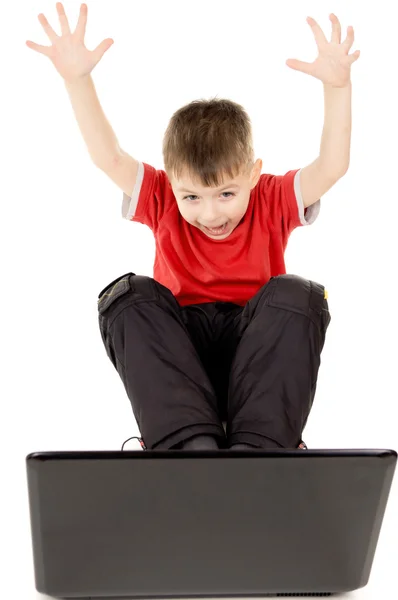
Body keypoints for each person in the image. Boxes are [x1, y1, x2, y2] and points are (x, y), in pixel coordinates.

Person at [27, 3, 360, 451]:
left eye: (226, 194)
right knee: (128, 296)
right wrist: (76, 79)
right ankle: (187, 446)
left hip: (254, 351)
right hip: (181, 352)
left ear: (253, 173)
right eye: (192, 198)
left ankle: (260, 446)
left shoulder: (271, 196)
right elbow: (110, 156)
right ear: (173, 182)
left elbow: (332, 166)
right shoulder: (161, 195)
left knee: (298, 294)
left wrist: (338, 88)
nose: (210, 215)